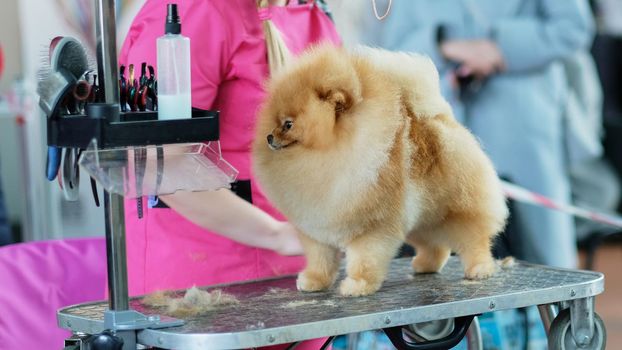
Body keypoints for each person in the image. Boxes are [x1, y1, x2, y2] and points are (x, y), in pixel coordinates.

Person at [120, 1, 339, 348]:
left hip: (296, 294)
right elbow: (158, 164)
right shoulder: (198, 12)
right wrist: (279, 235)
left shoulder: (308, 13)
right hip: (199, 304)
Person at [360, 0, 595, 269]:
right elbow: (393, 47)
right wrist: (444, 46)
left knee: (544, 252)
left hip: (525, 127)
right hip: (445, 127)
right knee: (451, 259)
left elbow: (573, 28)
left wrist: (498, 48)